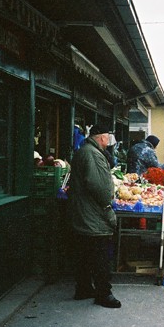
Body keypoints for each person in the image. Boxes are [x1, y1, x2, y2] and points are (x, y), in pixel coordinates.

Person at [68, 123, 120, 308]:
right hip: (93, 215)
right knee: (100, 256)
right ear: (102, 137)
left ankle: (83, 288)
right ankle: (103, 293)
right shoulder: (93, 154)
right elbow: (100, 187)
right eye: (108, 137)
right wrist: (107, 206)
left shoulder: (85, 151)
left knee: (85, 253)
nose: (108, 141)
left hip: (84, 213)